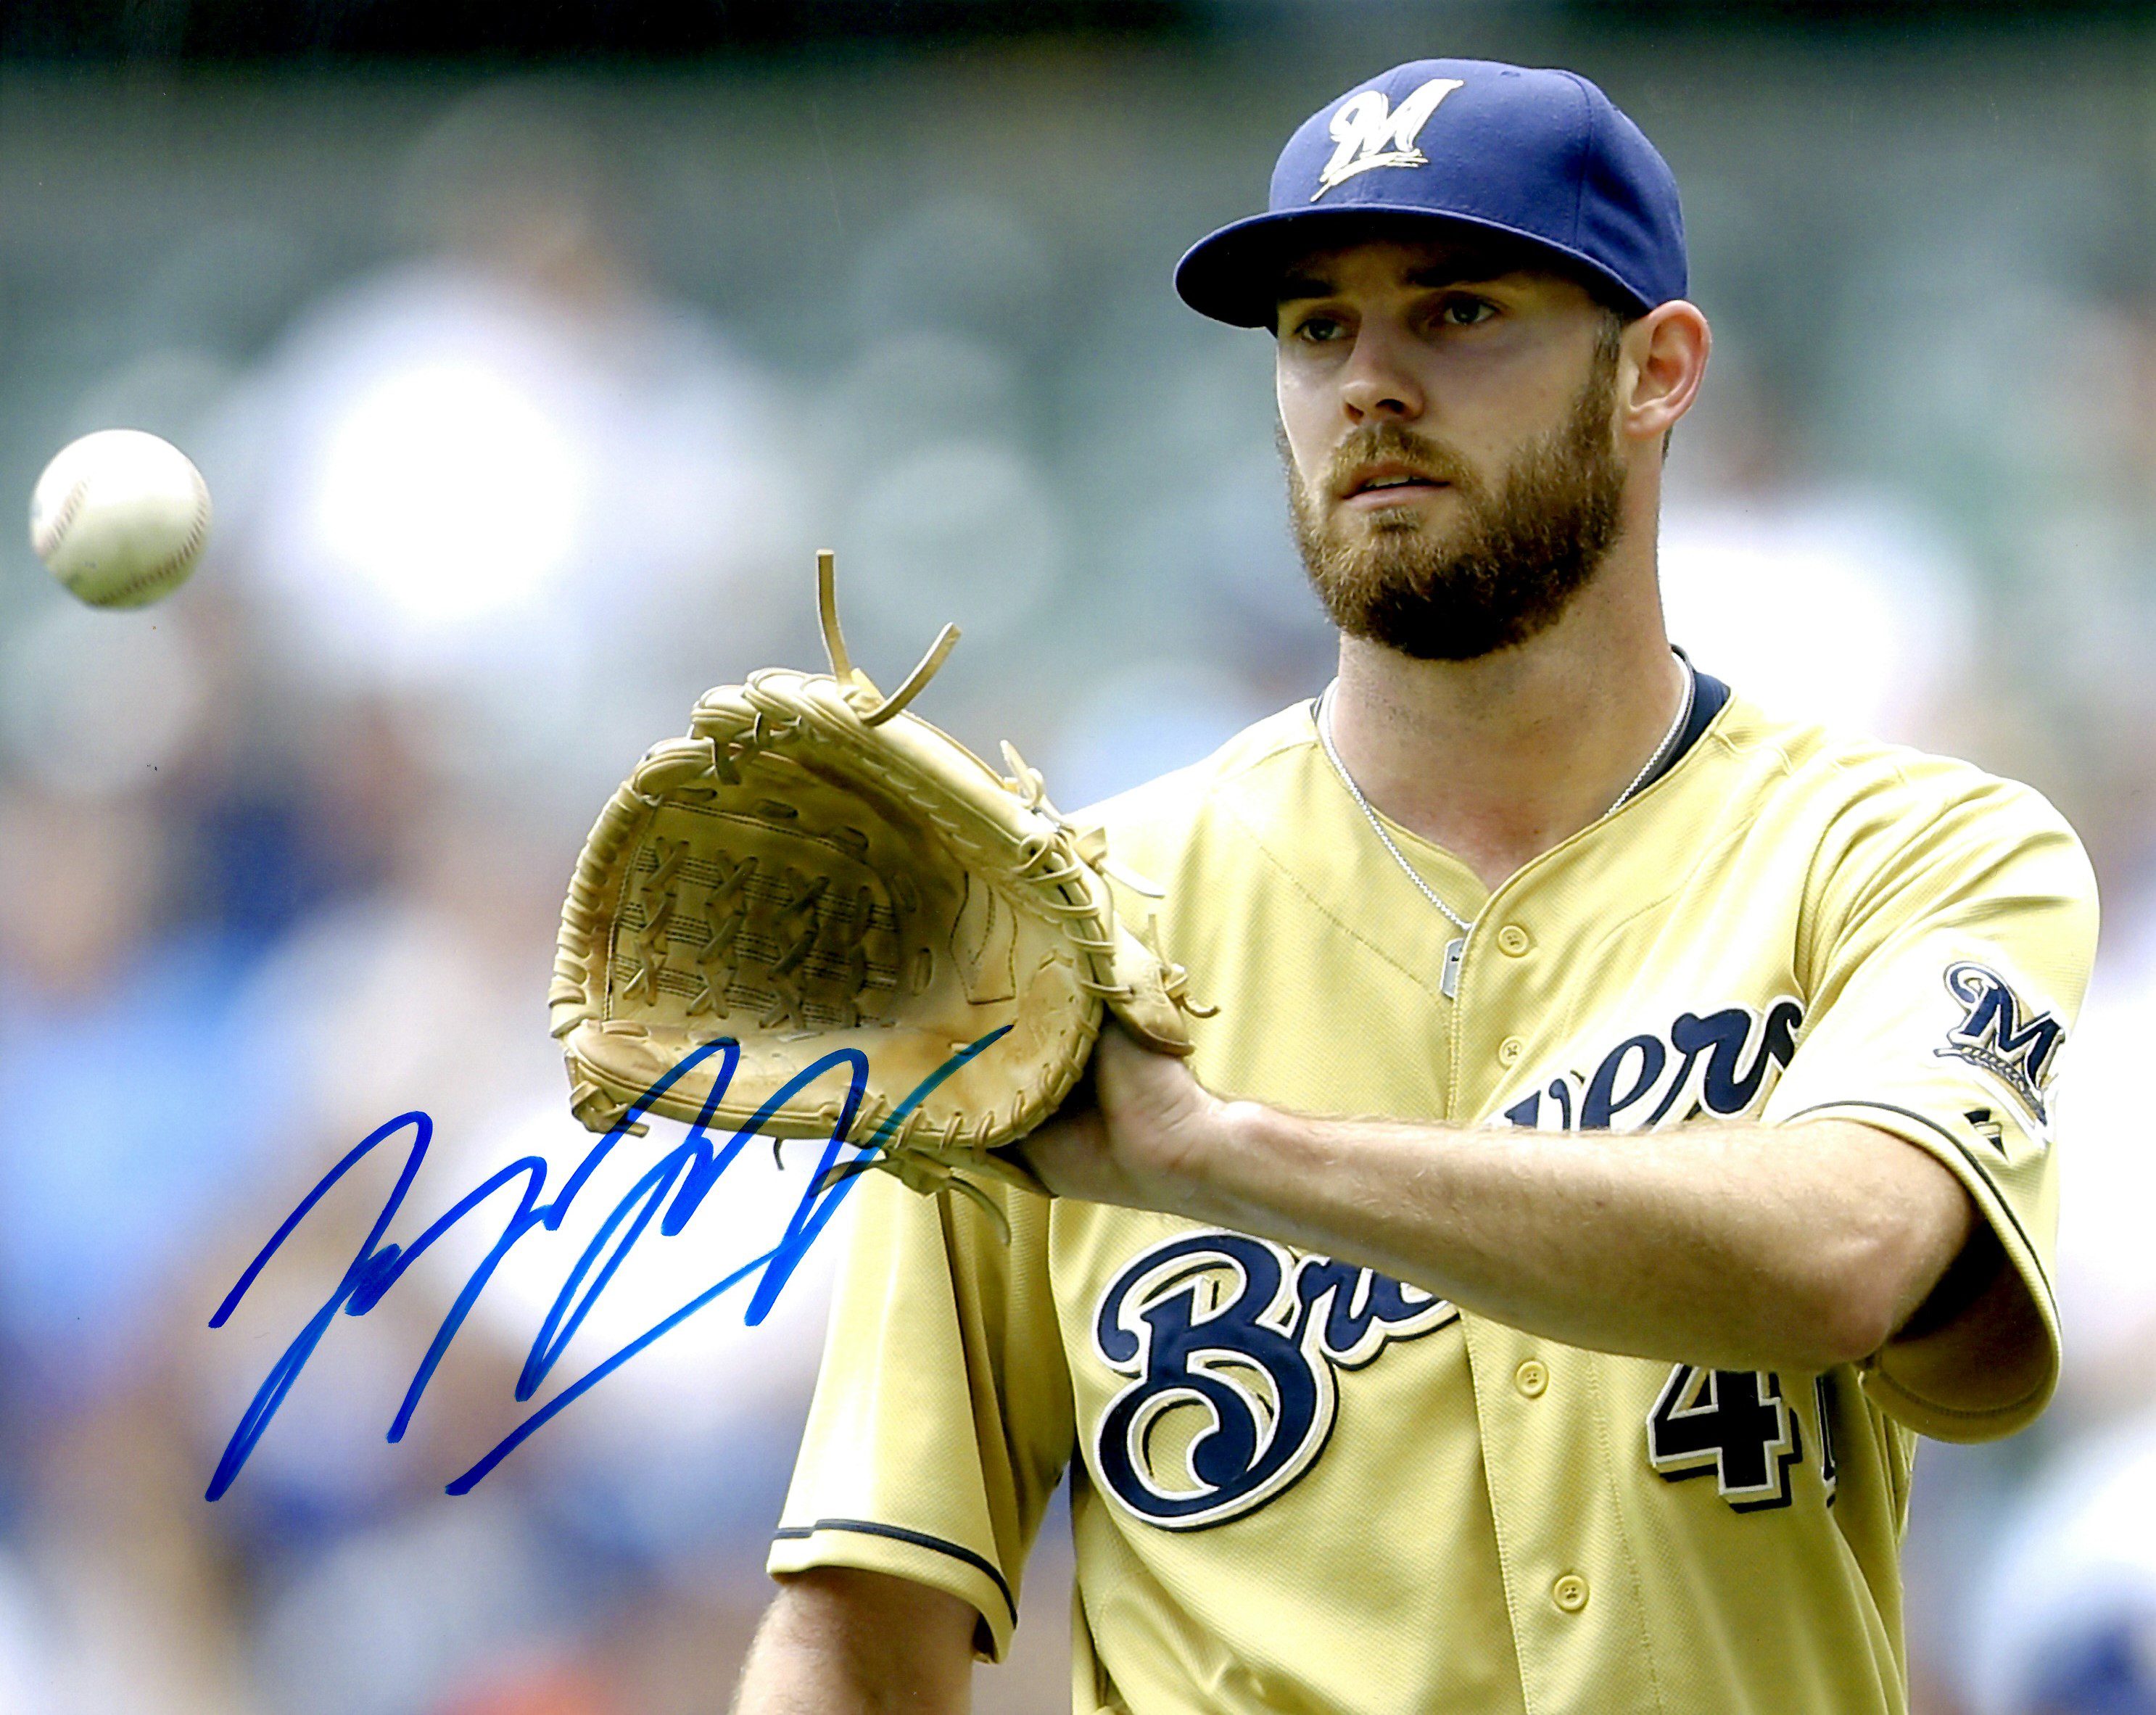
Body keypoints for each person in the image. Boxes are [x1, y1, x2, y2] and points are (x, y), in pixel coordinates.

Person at [733, 57, 2094, 1714]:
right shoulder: (1057, 935)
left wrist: (1219, 1157)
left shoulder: (1904, 852)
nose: (1367, 383)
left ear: (1653, 372)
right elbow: (861, 1618)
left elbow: (1844, 1252)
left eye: (1455, 312)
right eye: (1315, 329)